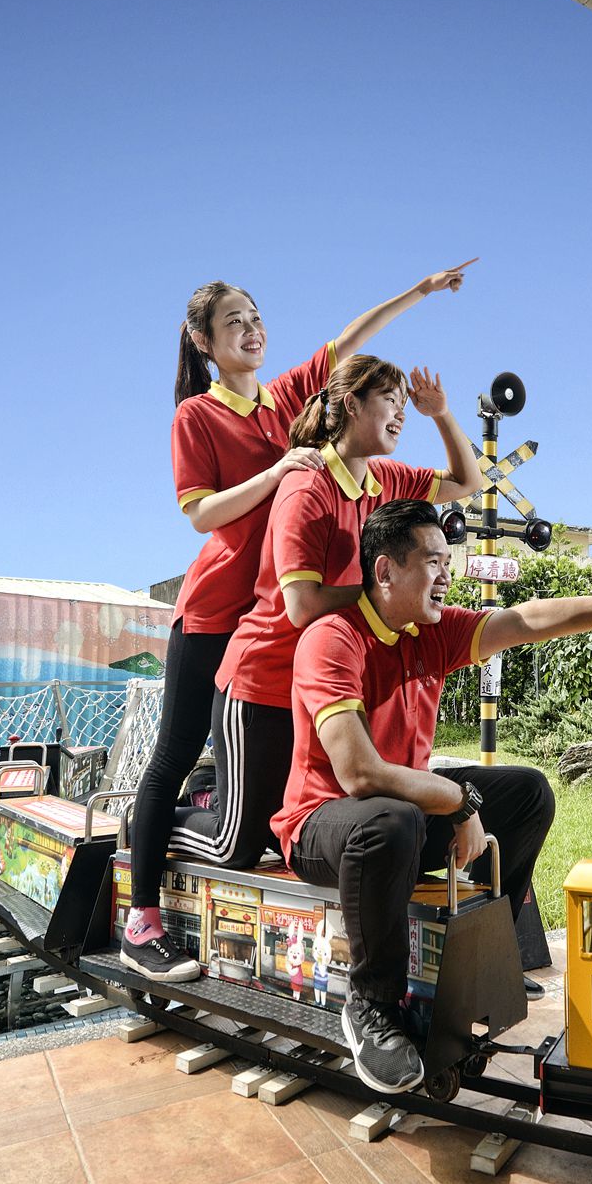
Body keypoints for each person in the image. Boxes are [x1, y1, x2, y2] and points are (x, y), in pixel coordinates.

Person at [121, 263, 476, 982]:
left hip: (280, 618)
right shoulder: (198, 416)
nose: (252, 330)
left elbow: (349, 340)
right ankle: (143, 915)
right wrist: (279, 471)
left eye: (256, 316)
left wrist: (420, 291)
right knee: (174, 753)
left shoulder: (285, 400)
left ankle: (220, 804)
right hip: (217, 615)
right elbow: (199, 513)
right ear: (201, 341)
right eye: (233, 323)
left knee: (272, 796)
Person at [274, 500, 592, 1093]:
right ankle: (369, 1006)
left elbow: (527, 621)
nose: (447, 575)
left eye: (450, 561)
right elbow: (359, 774)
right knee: (390, 820)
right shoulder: (333, 640)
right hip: (323, 826)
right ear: (386, 571)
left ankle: (478, 962)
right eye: (434, 562)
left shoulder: (431, 634)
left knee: (527, 792)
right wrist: (459, 801)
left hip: (404, 819)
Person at [164, 356, 484, 877]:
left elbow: (465, 481)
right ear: (351, 404)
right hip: (260, 682)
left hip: (313, 687)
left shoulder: (384, 480)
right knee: (237, 847)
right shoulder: (307, 485)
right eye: (390, 401)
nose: (401, 414)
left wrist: (441, 413)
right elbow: (302, 605)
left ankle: (215, 790)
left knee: (286, 826)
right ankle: (162, 816)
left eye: (405, 404)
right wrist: (383, 597)